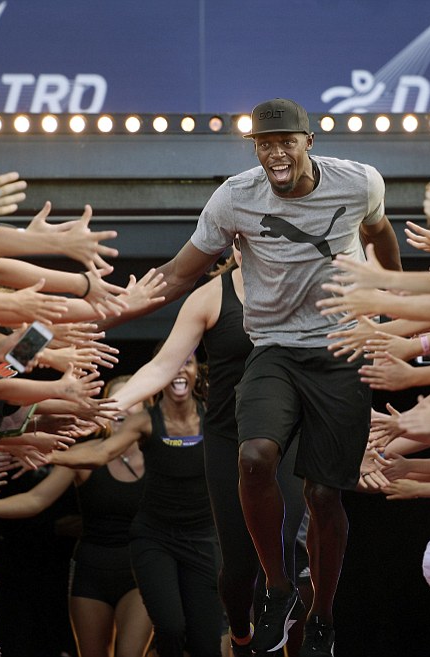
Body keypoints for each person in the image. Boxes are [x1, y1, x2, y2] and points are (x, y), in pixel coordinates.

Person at [123, 97, 401, 656]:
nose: (275, 152)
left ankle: (320, 613)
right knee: (254, 458)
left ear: (307, 142)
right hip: (274, 348)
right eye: (263, 143)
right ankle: (275, 588)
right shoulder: (235, 197)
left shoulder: (359, 183)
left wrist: (397, 297)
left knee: (324, 495)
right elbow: (181, 271)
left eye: (285, 142)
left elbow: (380, 234)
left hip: (339, 347)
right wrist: (119, 306)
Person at [105, 246, 306, 656]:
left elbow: (325, 365)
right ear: (235, 245)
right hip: (228, 439)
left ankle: (280, 607)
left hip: (285, 438)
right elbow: (163, 366)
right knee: (237, 563)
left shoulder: (301, 290)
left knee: (284, 537)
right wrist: (114, 405)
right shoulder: (211, 297)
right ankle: (239, 633)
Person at [51, 353, 222, 657]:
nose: (180, 370)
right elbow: (99, 455)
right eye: (173, 364)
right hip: (143, 545)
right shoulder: (138, 426)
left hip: (199, 541)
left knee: (204, 643)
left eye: (188, 363)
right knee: (169, 628)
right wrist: (43, 452)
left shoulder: (210, 419)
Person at [0, 376, 153, 657]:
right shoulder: (82, 454)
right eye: (115, 403)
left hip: (141, 570)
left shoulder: (160, 456)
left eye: (133, 402)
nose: (123, 410)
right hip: (91, 571)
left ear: (146, 409)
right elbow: (35, 500)